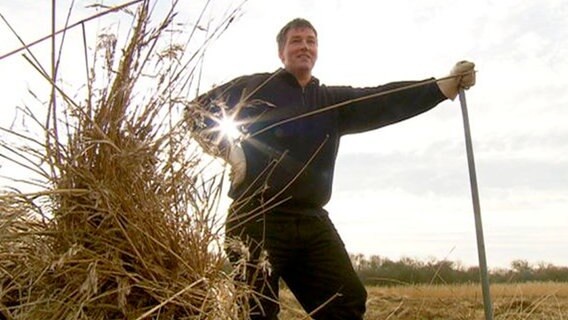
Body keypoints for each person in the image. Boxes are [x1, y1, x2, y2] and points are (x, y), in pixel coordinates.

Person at [187, 18, 475, 320]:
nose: (304, 46)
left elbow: (383, 99)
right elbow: (196, 111)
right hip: (257, 218)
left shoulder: (329, 100)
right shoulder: (255, 86)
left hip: (310, 219)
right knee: (255, 311)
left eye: (311, 41)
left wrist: (443, 86)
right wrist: (232, 154)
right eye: (296, 40)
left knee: (347, 301)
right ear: (281, 52)